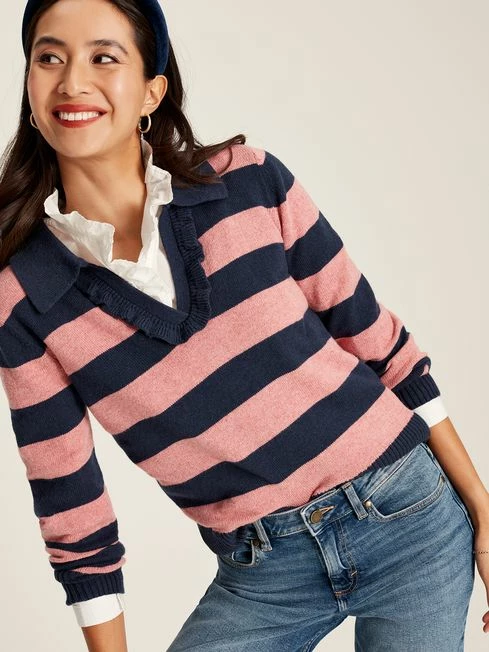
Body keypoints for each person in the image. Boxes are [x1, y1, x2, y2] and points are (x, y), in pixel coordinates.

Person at [0, 1, 488, 650]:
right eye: (49, 57)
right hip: (263, 572)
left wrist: (483, 512)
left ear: (151, 92)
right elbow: (70, 498)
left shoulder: (250, 181)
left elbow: (383, 346)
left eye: (103, 57)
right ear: (31, 88)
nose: (72, 80)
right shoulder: (24, 297)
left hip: (408, 513)